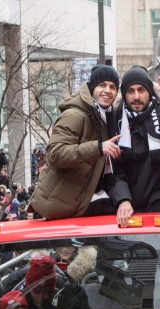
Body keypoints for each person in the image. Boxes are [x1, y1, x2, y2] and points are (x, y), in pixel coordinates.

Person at [28, 64, 122, 220]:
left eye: (113, 87)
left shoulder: (106, 115)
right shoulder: (75, 114)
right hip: (61, 206)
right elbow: (55, 154)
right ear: (92, 87)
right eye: (102, 85)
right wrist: (98, 148)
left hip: (82, 199)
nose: (108, 90)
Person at [107, 66, 160, 227]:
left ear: (150, 92)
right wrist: (123, 200)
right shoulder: (115, 122)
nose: (136, 96)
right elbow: (116, 171)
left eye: (141, 90)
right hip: (131, 207)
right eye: (131, 91)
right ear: (124, 95)